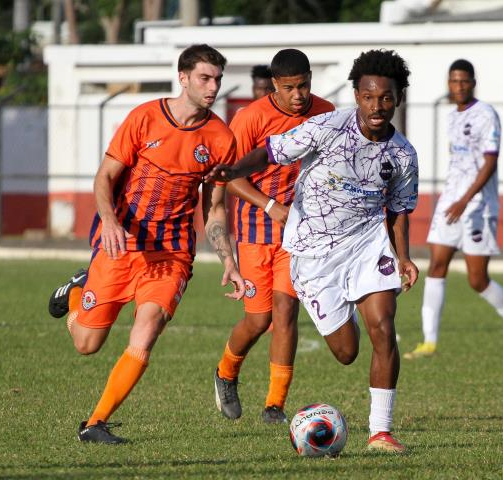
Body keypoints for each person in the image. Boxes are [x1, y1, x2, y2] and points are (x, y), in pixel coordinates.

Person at [206, 49, 418, 453]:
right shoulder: (326, 126)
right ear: (357, 95)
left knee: (385, 328)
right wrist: (233, 172)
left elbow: (398, 210)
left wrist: (403, 256)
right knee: (346, 351)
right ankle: (346, 308)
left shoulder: (404, 155)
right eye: (369, 97)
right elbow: (270, 151)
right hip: (312, 251)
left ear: (398, 98)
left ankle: (380, 431)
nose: (377, 107)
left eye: (386, 98)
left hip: (366, 245)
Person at [47, 44, 245, 444]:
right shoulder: (144, 118)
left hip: (171, 252)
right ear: (183, 77)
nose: (213, 87)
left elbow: (216, 207)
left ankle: (95, 423)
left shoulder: (221, 138)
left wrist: (229, 259)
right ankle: (76, 294)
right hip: (123, 243)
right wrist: (108, 220)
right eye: (205, 78)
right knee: (87, 344)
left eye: (218, 79)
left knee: (148, 325)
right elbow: (104, 178)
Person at [214, 49, 334, 424]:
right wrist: (270, 207)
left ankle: (275, 406)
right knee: (258, 319)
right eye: (289, 88)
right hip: (255, 231)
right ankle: (225, 373)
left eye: (304, 86)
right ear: (274, 87)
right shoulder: (250, 118)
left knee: (286, 313)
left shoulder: (327, 112)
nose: (298, 95)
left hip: (300, 234)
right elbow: (230, 177)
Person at [404, 59, 503, 361]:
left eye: (464, 81)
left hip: (477, 205)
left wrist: (465, 199)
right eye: (453, 81)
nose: (459, 86)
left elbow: (490, 162)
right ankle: (429, 342)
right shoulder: (452, 116)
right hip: (450, 202)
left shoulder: (486, 115)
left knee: (477, 279)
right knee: (436, 265)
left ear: (473, 83)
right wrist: (453, 198)